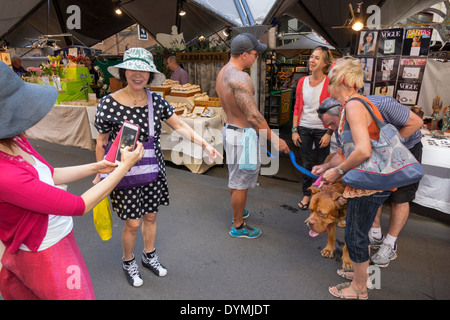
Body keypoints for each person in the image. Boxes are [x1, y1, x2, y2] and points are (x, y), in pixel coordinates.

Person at [0, 61, 145, 300]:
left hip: (58, 239)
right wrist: (123, 167)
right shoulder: (5, 174)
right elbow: (78, 205)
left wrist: (97, 166)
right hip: (45, 251)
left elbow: (50, 174)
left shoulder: (14, 141)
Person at [94, 48, 221, 287]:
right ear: (124, 71)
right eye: (133, 68)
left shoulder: (156, 100)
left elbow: (179, 125)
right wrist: (100, 172)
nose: (138, 74)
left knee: (150, 216)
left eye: (144, 70)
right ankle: (128, 260)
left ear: (151, 75)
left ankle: (149, 256)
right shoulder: (108, 104)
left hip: (152, 169)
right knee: (132, 222)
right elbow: (101, 141)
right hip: (122, 171)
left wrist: (204, 143)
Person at [313, 57, 392, 300]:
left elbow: (363, 151)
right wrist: (327, 166)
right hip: (371, 181)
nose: (328, 84)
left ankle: (359, 289)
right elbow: (346, 151)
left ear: (343, 81)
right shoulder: (358, 103)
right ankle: (359, 276)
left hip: (369, 184)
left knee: (355, 234)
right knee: (360, 232)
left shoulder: (354, 105)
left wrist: (336, 172)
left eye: (332, 78)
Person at [316, 95, 423, 270]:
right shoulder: (341, 123)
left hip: (403, 150)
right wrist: (326, 166)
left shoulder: (382, 104)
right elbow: (341, 155)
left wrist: (388, 148)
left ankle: (390, 243)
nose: (331, 129)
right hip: (374, 154)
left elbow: (416, 122)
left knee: (399, 199)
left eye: (331, 124)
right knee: (373, 190)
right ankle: (375, 234)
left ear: (342, 111)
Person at [216, 33, 290, 239]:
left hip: (230, 130)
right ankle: (238, 225)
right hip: (242, 137)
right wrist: (275, 139)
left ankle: (238, 211)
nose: (257, 57)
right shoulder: (241, 77)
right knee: (240, 183)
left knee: (235, 177)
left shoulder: (223, 72)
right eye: (255, 54)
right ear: (244, 54)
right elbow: (253, 115)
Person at [291, 46, 334, 210]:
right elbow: (296, 107)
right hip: (304, 128)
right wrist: (294, 130)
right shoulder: (302, 81)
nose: (312, 60)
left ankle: (320, 196)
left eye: (317, 58)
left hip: (322, 129)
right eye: (311, 57)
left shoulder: (329, 82)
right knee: (307, 163)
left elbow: (334, 109)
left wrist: (329, 132)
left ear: (324, 63)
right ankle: (307, 194)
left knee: (323, 164)